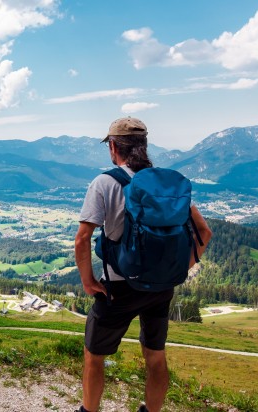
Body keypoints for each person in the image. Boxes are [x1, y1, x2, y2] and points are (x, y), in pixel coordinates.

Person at [74, 117, 212, 412]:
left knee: (94, 356)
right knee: (155, 355)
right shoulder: (165, 185)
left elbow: (82, 239)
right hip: (161, 288)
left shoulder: (105, 183)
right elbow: (204, 232)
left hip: (119, 287)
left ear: (113, 147)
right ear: (144, 146)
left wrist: (88, 282)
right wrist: (178, 269)